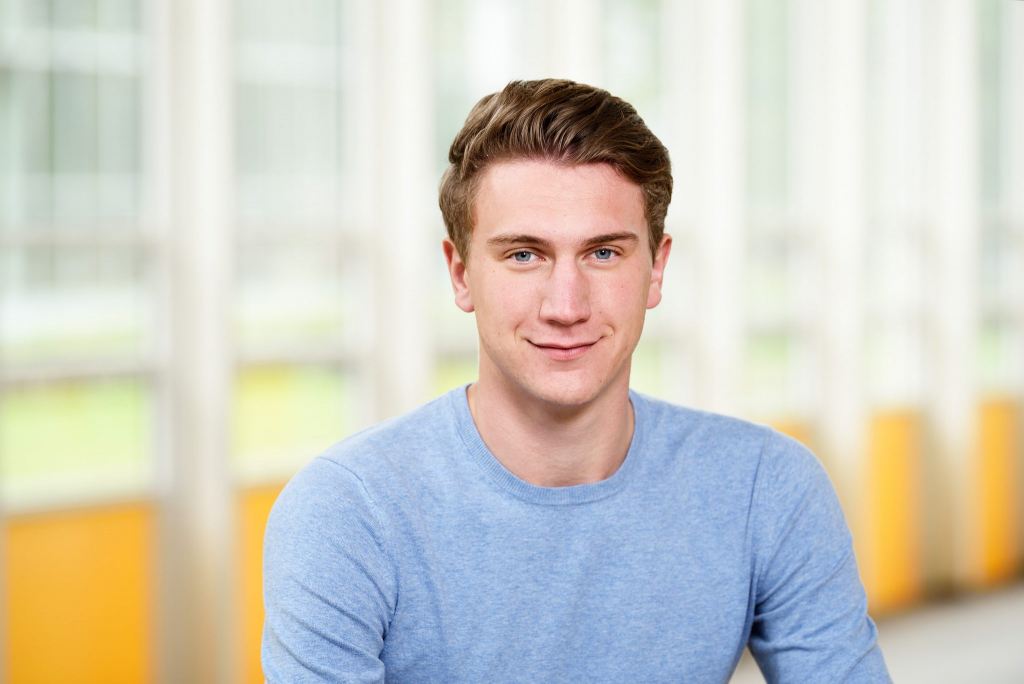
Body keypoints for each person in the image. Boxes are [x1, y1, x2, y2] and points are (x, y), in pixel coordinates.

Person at [262, 79, 890, 683]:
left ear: (656, 269)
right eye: (524, 255)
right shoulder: (347, 512)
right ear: (460, 274)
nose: (566, 306)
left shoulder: (766, 488)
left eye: (604, 253)